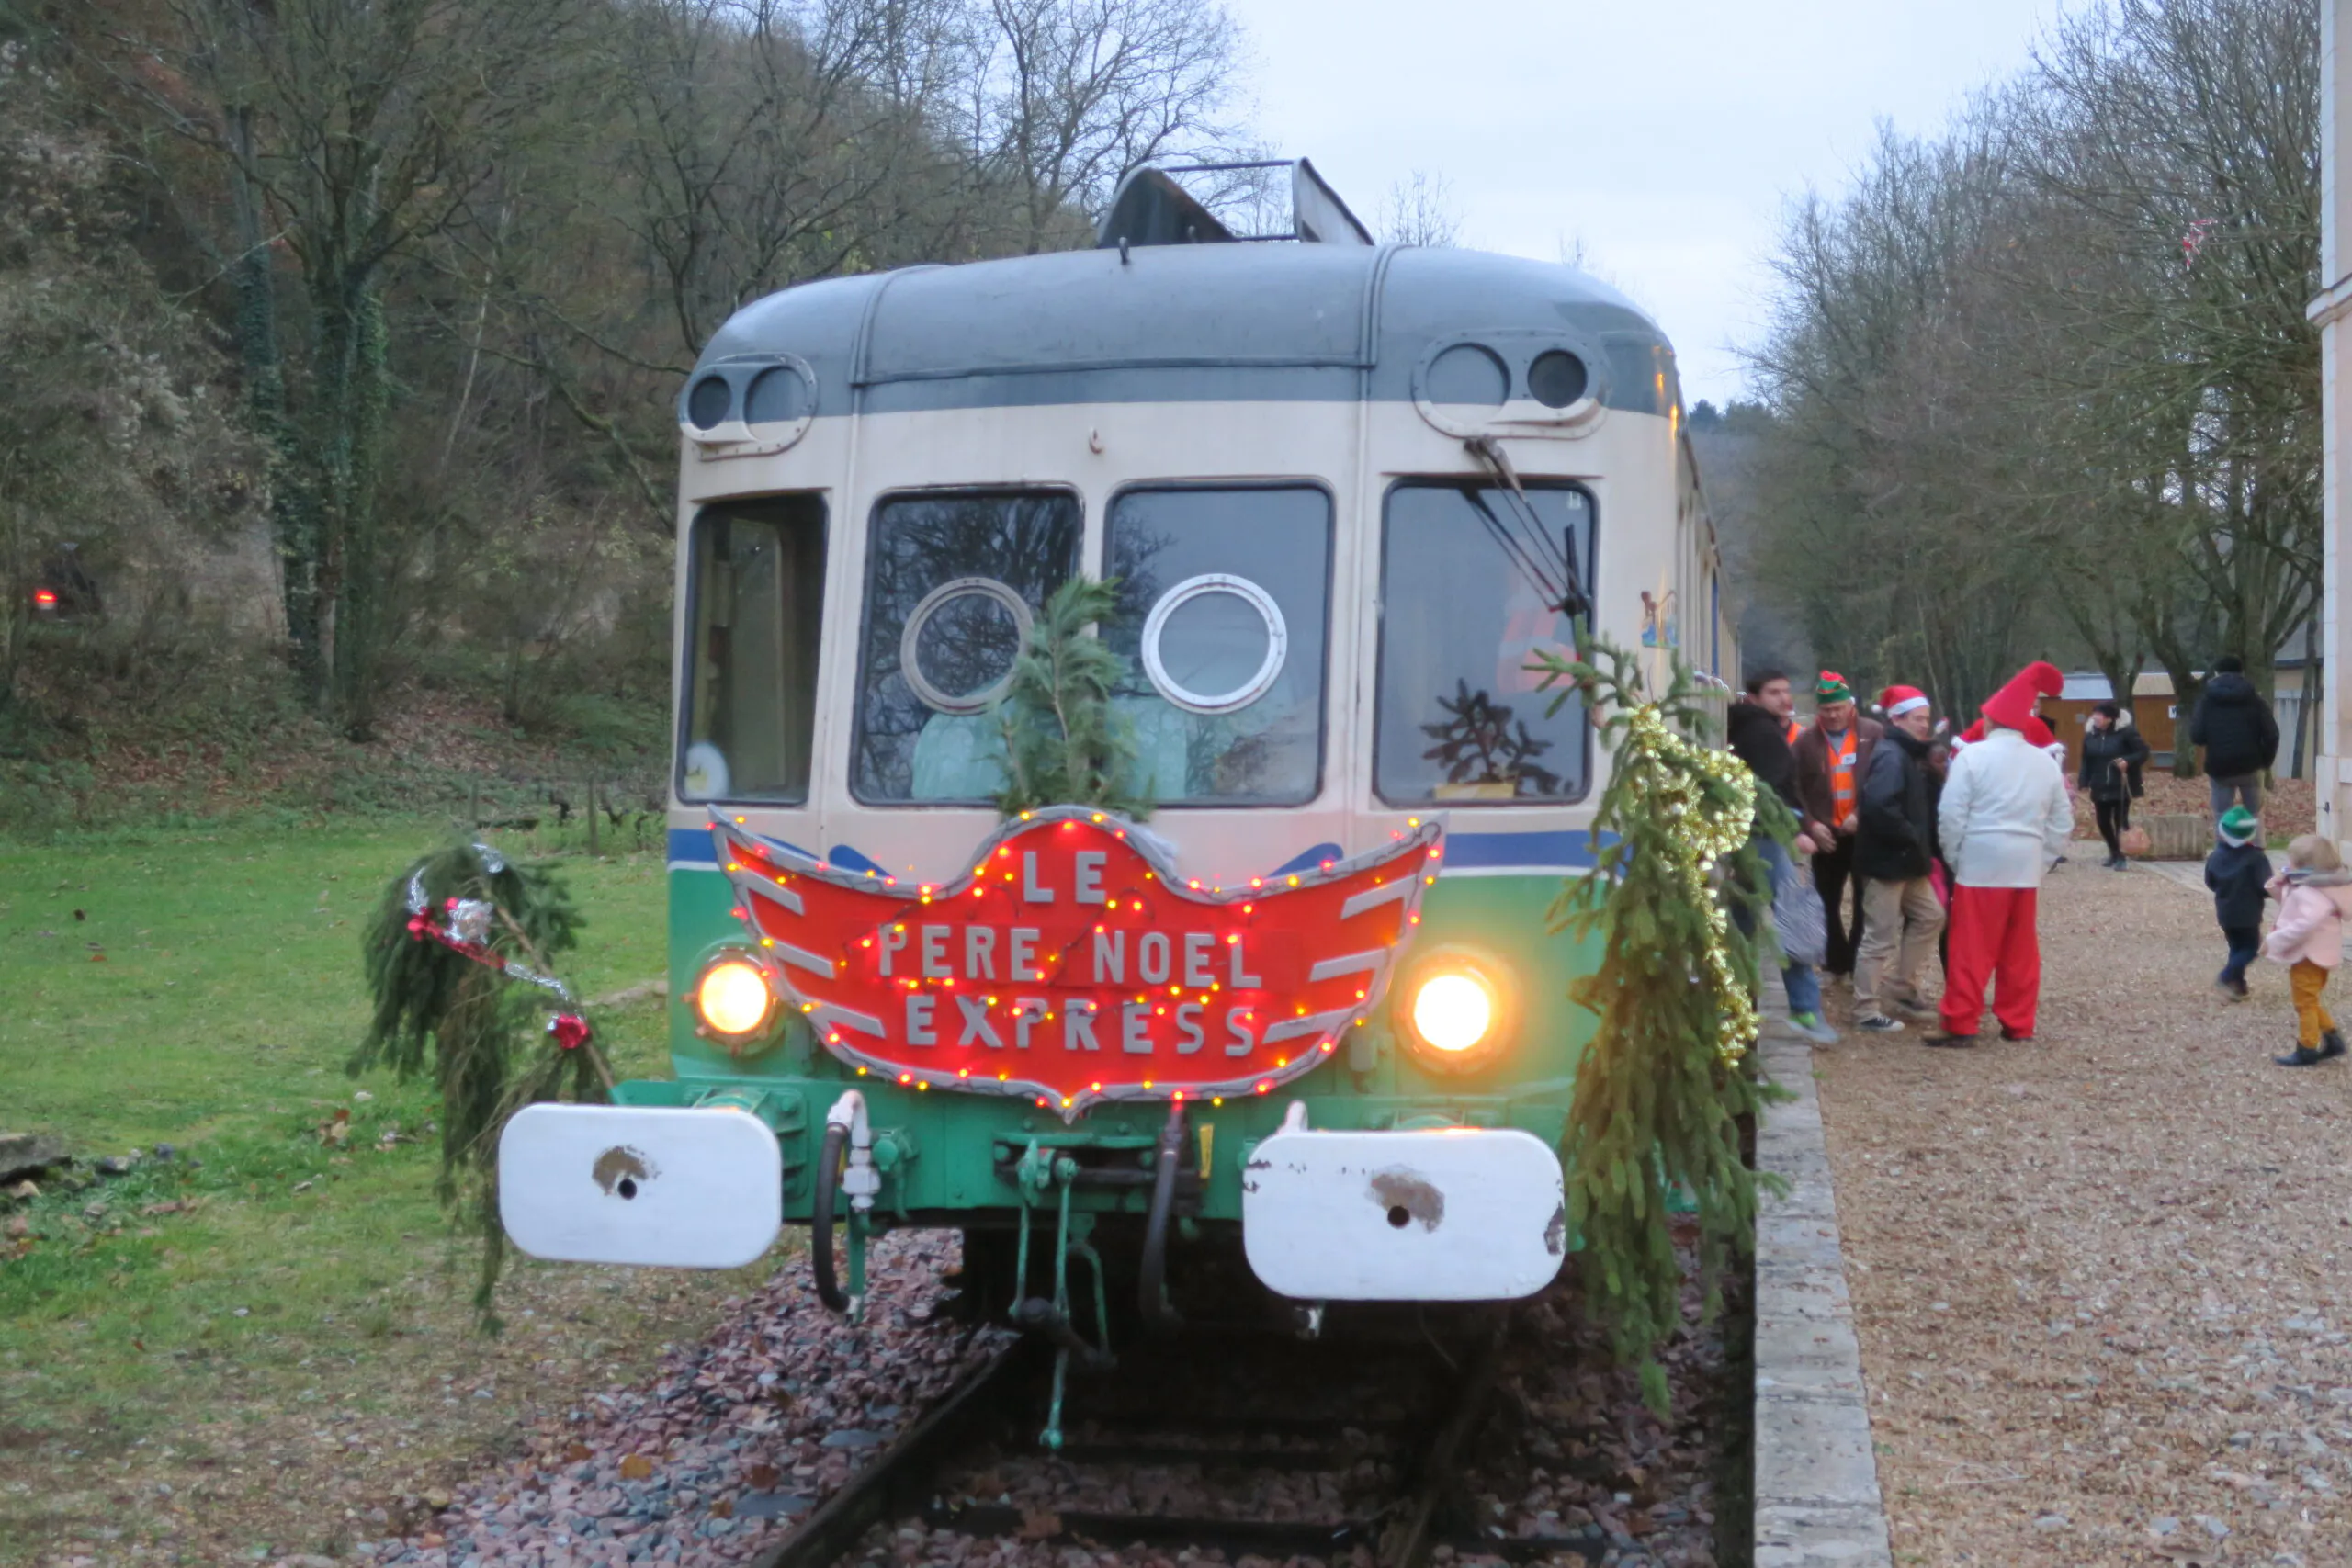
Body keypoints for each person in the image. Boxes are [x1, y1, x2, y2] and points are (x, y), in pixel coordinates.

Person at [1925, 660, 2074, 1047]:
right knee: (2019, 950)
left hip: (1980, 862)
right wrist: (2043, 859)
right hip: (2024, 865)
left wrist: (1957, 857)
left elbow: (1951, 815)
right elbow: (2061, 821)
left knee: (1970, 948)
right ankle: (2018, 1022)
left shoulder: (1972, 757)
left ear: (1990, 720)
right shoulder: (2044, 761)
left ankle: (1961, 1021)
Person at [1726, 670, 1838, 1045]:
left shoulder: (1750, 727)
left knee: (1741, 922)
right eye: (1774, 692)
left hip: (1745, 837)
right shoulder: (1762, 734)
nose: (1784, 699)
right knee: (1794, 919)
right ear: (1755, 697)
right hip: (1765, 839)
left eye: (1787, 692)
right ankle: (1805, 1009)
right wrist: (1796, 830)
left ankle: (1734, 1008)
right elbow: (1768, 791)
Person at [1850, 686, 1946, 1033]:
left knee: (1931, 915)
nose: (1924, 725)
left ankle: (1901, 986)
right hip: (1888, 861)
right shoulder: (1893, 755)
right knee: (1879, 937)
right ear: (1897, 718)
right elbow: (1878, 805)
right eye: (1917, 719)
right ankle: (1865, 1009)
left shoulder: (1904, 754)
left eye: (1926, 719)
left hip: (1907, 860)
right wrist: (1910, 834)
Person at [1792, 671, 1883, 977]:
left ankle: (1858, 962)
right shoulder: (1805, 742)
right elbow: (1794, 790)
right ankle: (1835, 960)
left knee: (1864, 900)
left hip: (1863, 831)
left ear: (1850, 707)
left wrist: (1861, 812)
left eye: (1838, 709)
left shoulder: (1873, 733)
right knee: (1826, 901)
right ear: (1818, 711)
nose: (1833, 715)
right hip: (1825, 833)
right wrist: (1811, 825)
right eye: (1826, 710)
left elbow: (1881, 781)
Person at [2262, 834, 2352, 1067]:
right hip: (2319, 952)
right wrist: (2281, 880)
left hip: (2308, 954)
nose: (2286, 863)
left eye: (2290, 860)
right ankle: (2332, 1039)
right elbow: (2285, 899)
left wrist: (2274, 941)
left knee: (2304, 1003)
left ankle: (2307, 1047)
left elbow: (2305, 924)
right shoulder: (2315, 885)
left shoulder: (2311, 892)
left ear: (2305, 866)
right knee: (2310, 999)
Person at [2189, 655, 2279, 818]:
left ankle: (2224, 843)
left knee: (2222, 816)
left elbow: (2197, 736)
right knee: (2254, 815)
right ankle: (2255, 843)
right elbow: (2272, 734)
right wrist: (2265, 762)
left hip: (2219, 766)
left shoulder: (2206, 701)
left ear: (2216, 673)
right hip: (2250, 765)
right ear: (2242, 672)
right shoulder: (2255, 699)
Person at [2205, 806, 2268, 1002]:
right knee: (2252, 947)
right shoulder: (2256, 858)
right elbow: (2266, 885)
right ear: (2250, 834)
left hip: (2225, 911)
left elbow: (2210, 881)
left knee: (2236, 946)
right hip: (2248, 913)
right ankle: (2226, 976)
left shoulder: (2215, 856)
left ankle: (2238, 986)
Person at [2077, 702, 2150, 870]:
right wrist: (2083, 781)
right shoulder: (2090, 736)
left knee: (2120, 821)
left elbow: (2143, 752)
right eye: (2094, 714)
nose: (2095, 717)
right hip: (2099, 783)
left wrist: (2128, 761)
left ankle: (2121, 856)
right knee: (2102, 822)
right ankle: (2113, 851)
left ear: (2110, 718)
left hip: (2121, 784)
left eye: (2099, 715)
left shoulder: (2126, 733)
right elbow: (2086, 760)